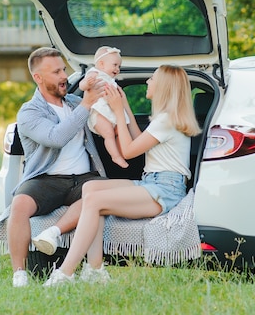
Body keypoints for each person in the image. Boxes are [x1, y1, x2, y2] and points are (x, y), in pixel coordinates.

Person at [42, 65, 201, 286]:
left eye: (152, 79)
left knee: (95, 200)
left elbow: (128, 151)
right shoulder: (165, 118)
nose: (148, 82)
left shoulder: (167, 120)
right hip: (152, 182)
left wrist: (118, 112)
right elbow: (138, 139)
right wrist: (123, 103)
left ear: (164, 86)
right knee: (90, 189)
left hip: (165, 190)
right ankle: (95, 270)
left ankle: (65, 273)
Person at [7, 47, 109, 287]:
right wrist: (86, 105)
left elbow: (109, 117)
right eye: (56, 72)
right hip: (46, 178)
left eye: (64, 69)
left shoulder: (75, 102)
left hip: (84, 176)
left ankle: (54, 232)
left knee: (101, 195)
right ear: (38, 78)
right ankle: (19, 274)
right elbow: (56, 137)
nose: (64, 76)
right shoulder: (29, 111)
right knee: (19, 204)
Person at [79, 46, 131, 168]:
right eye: (115, 65)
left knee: (121, 130)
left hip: (111, 112)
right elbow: (82, 86)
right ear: (101, 64)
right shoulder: (94, 73)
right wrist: (87, 83)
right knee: (108, 133)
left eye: (119, 66)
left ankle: (123, 152)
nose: (117, 69)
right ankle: (115, 156)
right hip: (99, 112)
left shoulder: (111, 79)